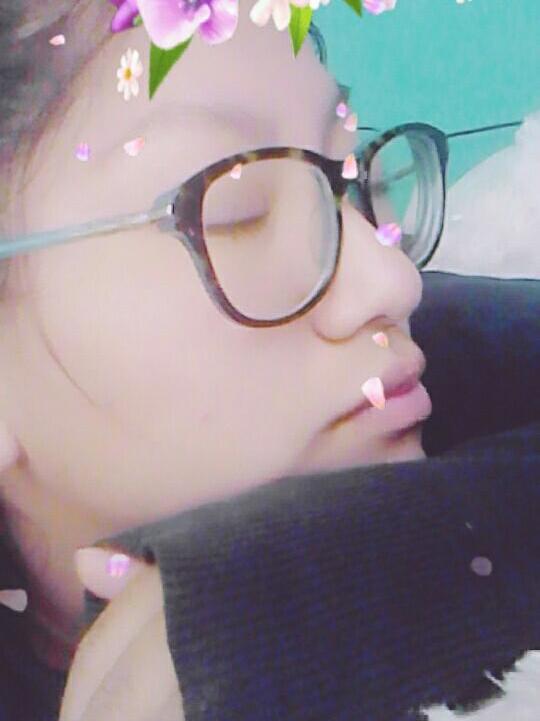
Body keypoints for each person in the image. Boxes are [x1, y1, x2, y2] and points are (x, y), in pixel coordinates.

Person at [0, 1, 538, 720]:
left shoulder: (442, 347)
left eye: (347, 183)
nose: (392, 281)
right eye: (237, 212)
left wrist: (344, 583)